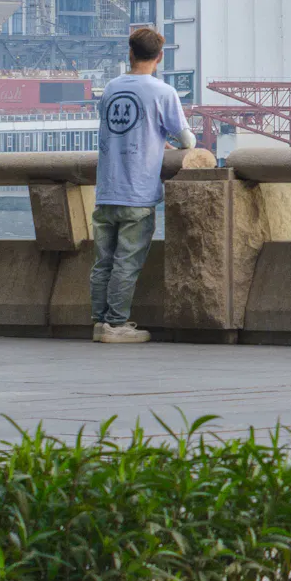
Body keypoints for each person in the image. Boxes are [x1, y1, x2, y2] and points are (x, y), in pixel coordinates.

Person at [89, 25, 205, 343]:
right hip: (137, 192)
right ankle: (116, 325)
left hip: (106, 189)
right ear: (160, 57)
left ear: (130, 53)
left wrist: (155, 141)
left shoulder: (111, 88)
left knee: (103, 261)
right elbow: (186, 139)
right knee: (127, 261)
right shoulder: (162, 92)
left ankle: (99, 322)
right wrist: (165, 142)